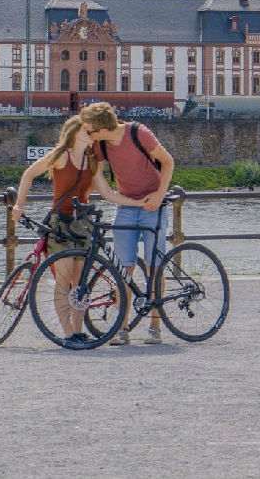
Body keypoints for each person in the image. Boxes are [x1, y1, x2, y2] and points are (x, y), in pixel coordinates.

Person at [11, 114, 145, 345]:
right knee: (64, 281)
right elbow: (29, 173)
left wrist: (138, 202)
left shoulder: (93, 161)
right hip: (60, 223)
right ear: (74, 133)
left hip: (83, 225)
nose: (92, 134)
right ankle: (67, 333)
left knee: (79, 283)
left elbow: (107, 193)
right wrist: (19, 204)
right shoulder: (61, 156)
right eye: (87, 131)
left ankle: (78, 330)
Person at [80, 101, 174, 346]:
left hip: (154, 205)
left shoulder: (138, 133)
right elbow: (98, 179)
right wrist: (89, 194)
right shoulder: (100, 145)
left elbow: (167, 161)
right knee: (123, 269)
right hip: (126, 207)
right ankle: (122, 328)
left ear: (102, 128)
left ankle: (155, 324)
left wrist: (160, 195)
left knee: (155, 268)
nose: (87, 134)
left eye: (89, 130)